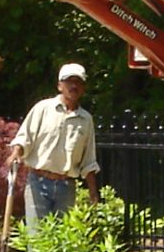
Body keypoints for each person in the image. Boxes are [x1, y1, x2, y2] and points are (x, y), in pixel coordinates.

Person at [9, 62, 101, 225]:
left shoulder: (85, 120)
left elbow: (88, 160)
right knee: (37, 240)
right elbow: (25, 137)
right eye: (69, 81)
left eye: (78, 82)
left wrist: (93, 194)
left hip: (67, 187)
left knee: (61, 243)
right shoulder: (43, 109)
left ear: (83, 87)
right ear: (60, 85)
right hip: (38, 183)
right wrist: (16, 153)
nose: (74, 85)